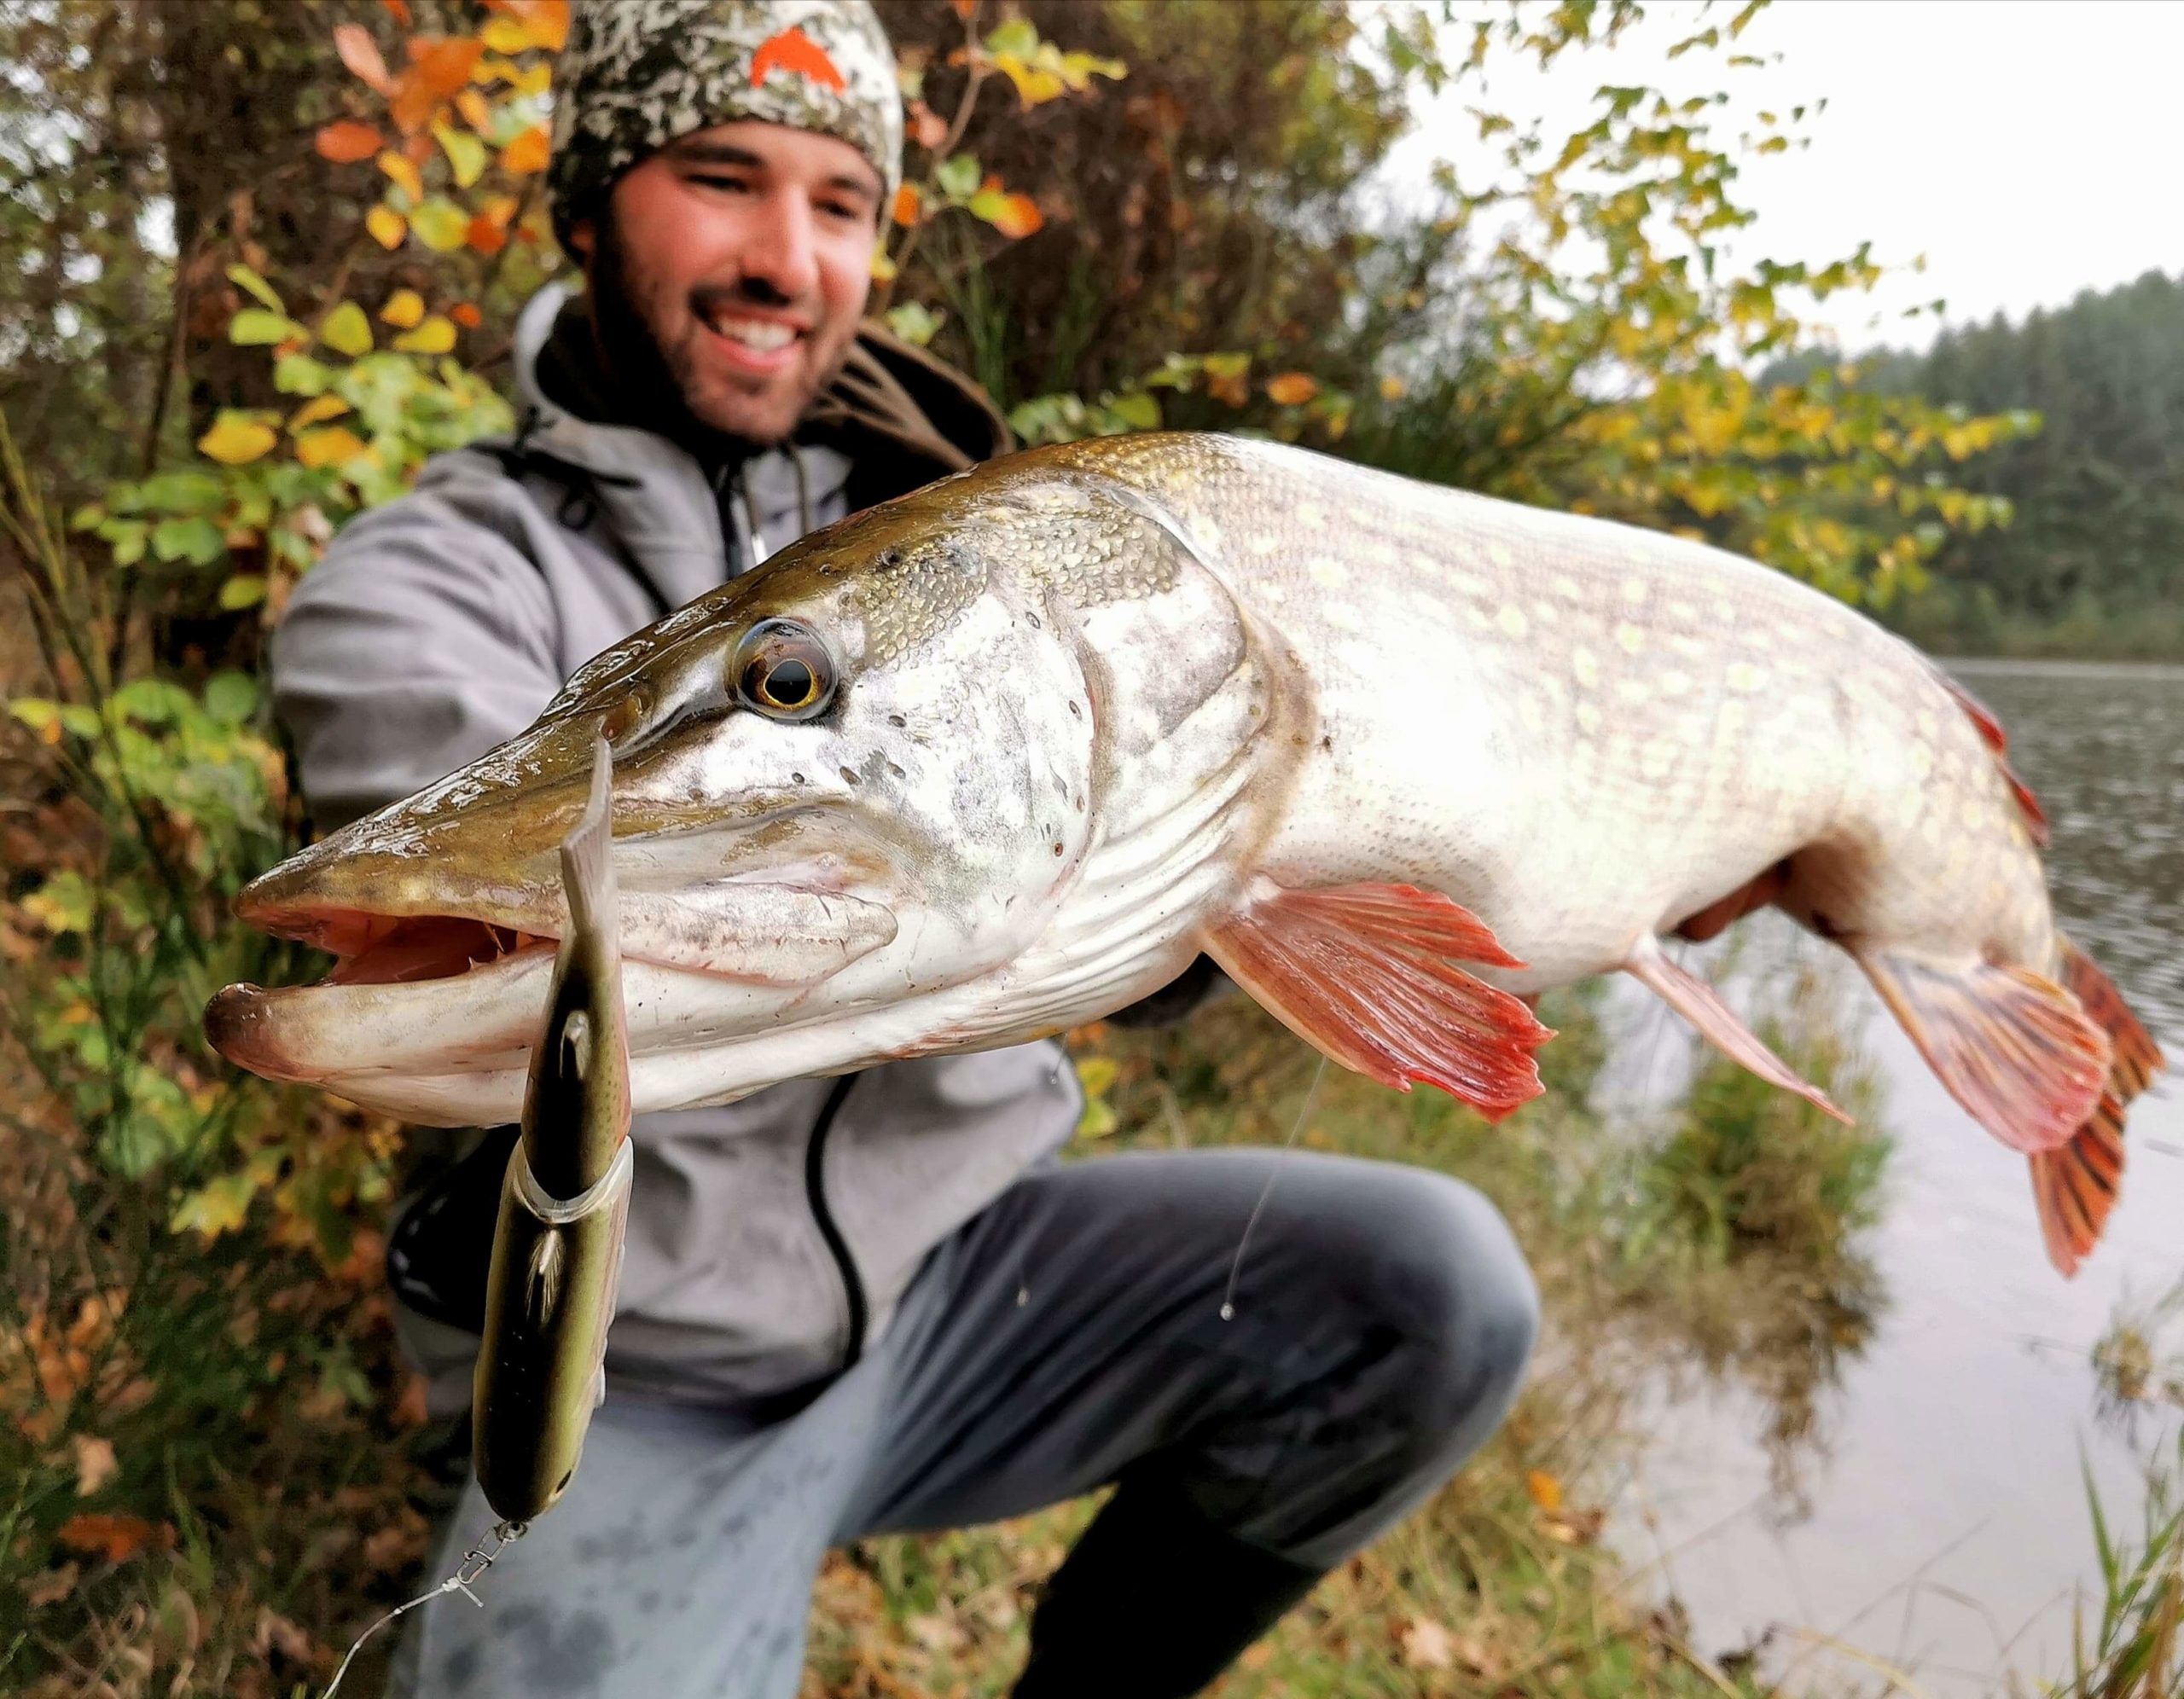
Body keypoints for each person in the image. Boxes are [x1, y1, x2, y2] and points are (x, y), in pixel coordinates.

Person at [270, 3, 1540, 1694]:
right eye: (721, 180)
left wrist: (1230, 878)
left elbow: (1172, 899)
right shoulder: (431, 575)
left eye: (841, 206)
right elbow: (522, 915)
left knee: (1427, 1291)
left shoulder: (965, 528)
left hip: (969, 1288)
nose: (782, 258)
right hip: (642, 1359)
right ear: (588, 203)